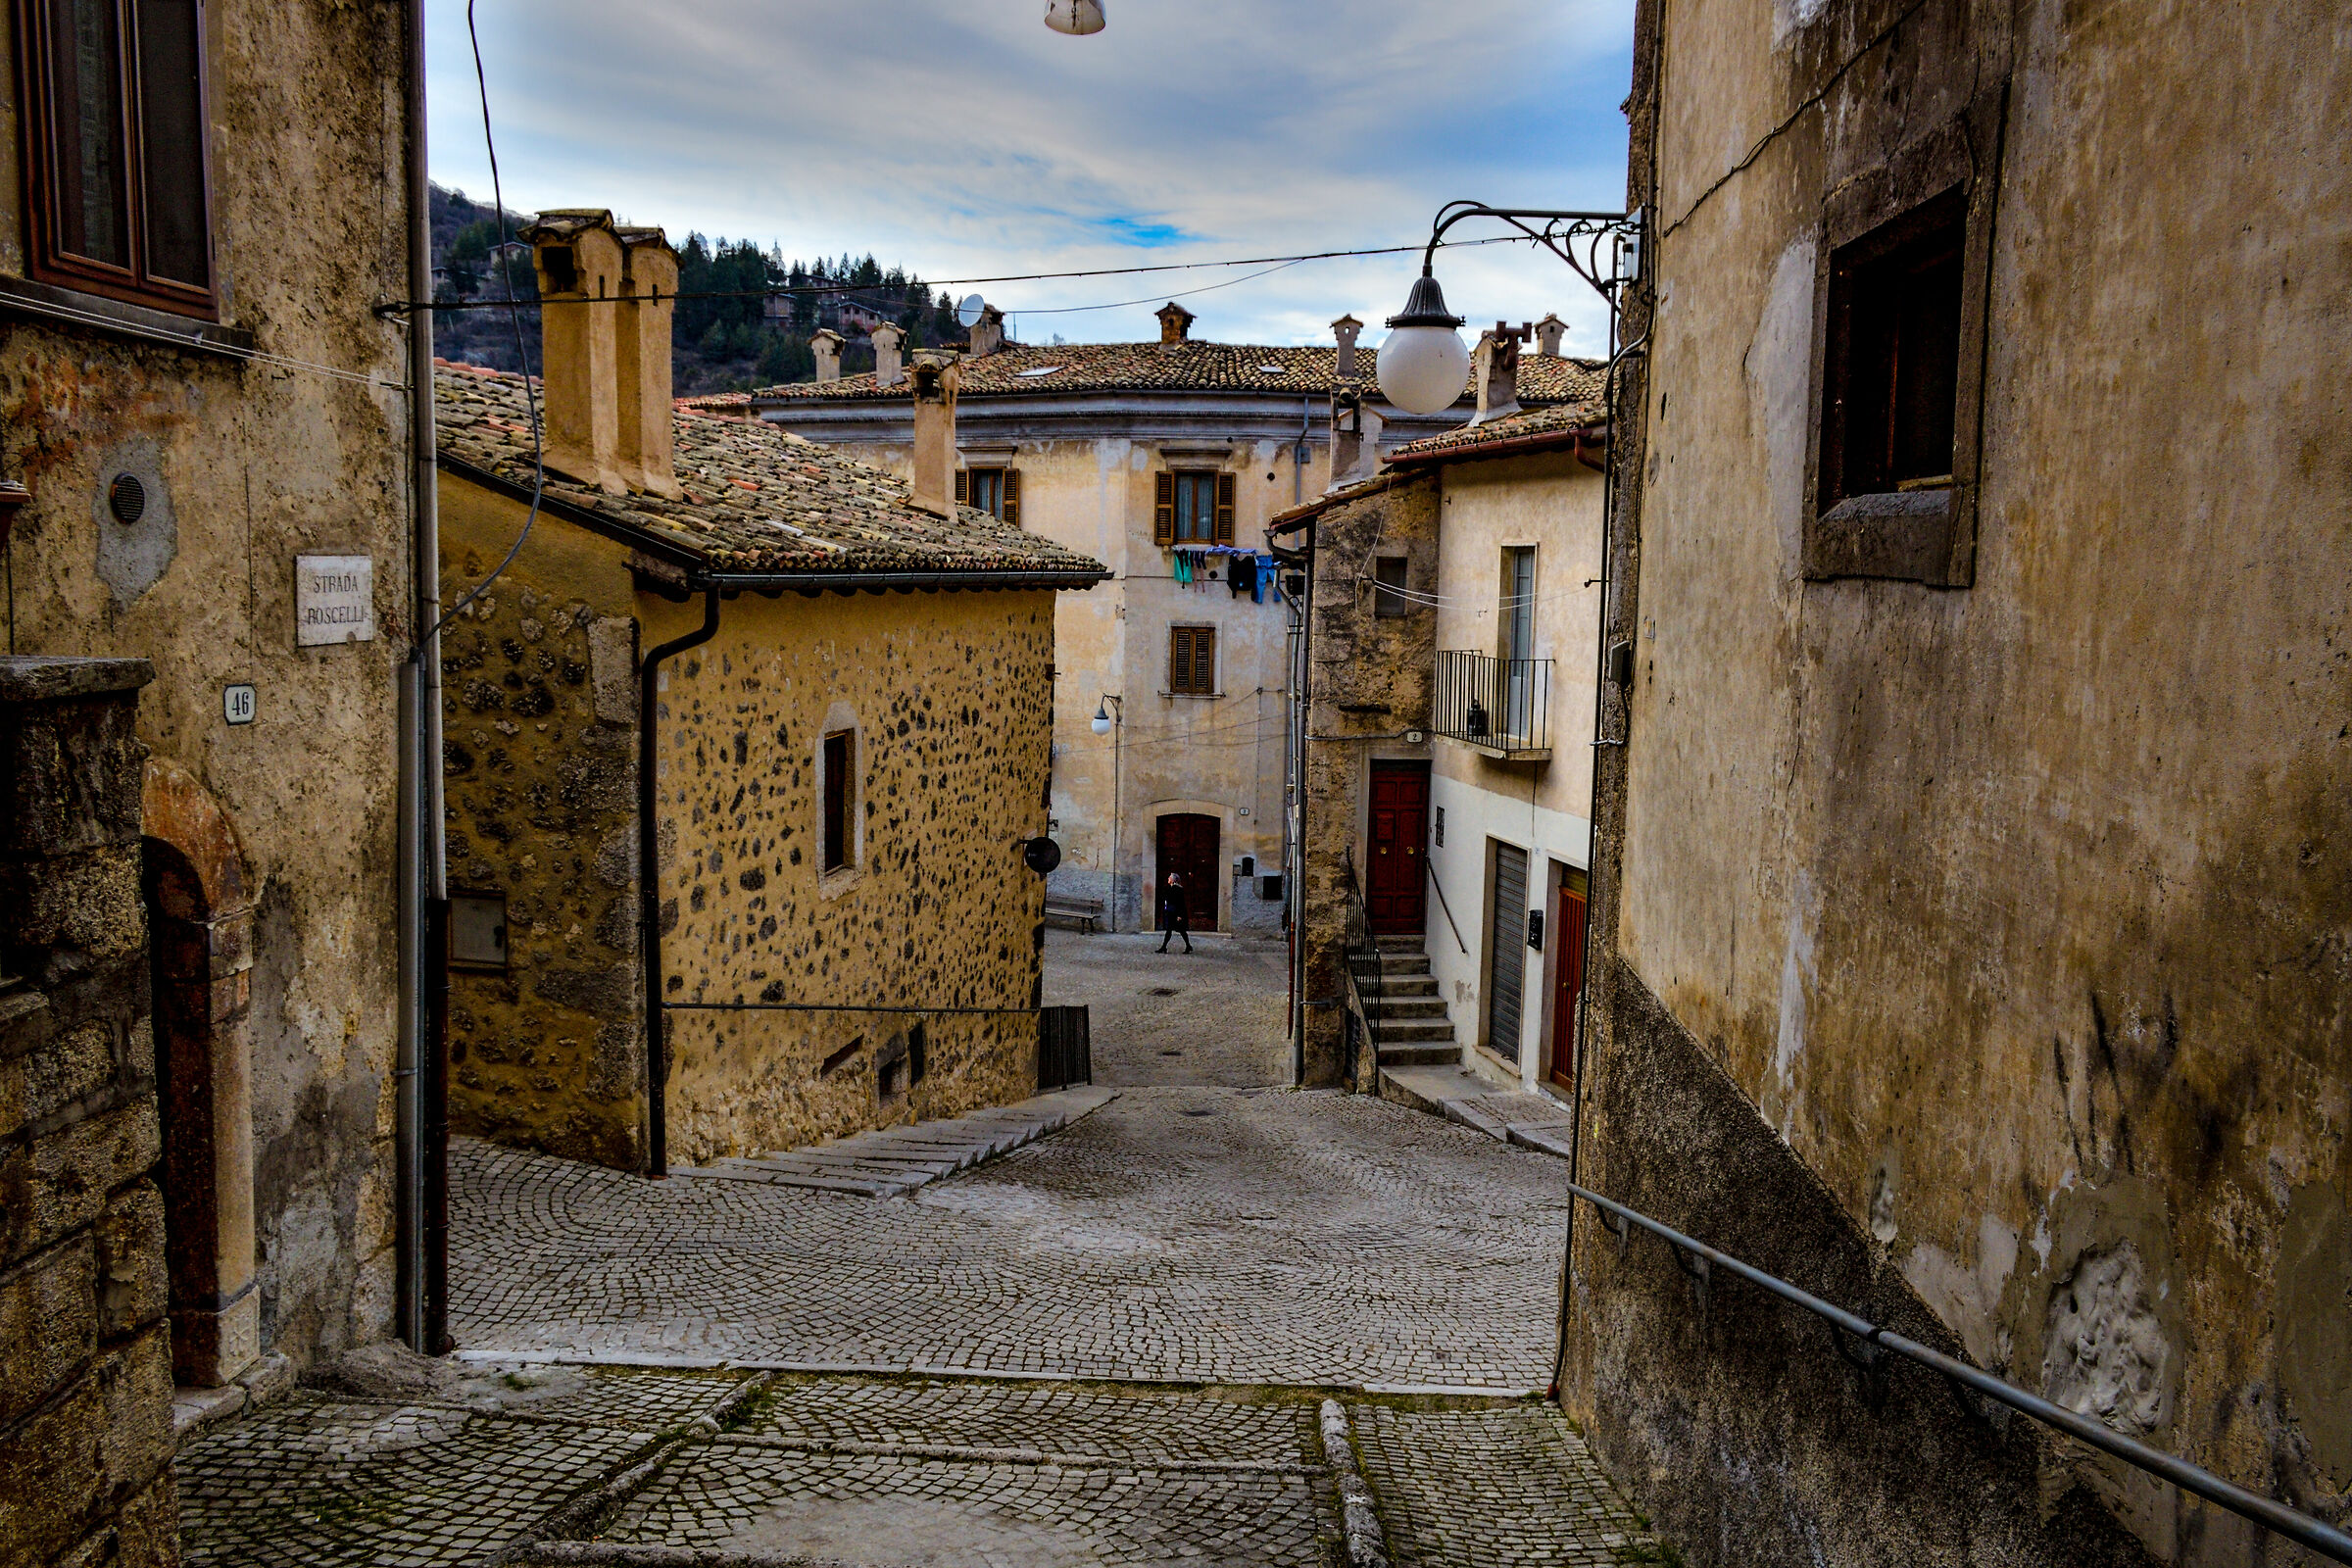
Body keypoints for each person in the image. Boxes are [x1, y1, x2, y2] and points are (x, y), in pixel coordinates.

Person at [1155, 872, 1193, 954]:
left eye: (1169, 878)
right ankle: (1164, 947)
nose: (1168, 879)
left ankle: (1188, 946)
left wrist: (1180, 915)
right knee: (1170, 930)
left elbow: (1180, 903)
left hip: (1176, 913)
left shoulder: (1178, 889)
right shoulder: (1169, 888)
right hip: (1170, 912)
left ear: (1173, 880)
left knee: (1181, 931)